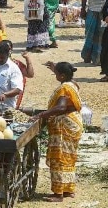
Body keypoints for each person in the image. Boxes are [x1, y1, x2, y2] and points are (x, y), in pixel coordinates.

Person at [29, 62, 82, 202]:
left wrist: (41, 115)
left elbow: (61, 107)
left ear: (62, 75)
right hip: (74, 124)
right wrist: (56, 68)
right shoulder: (72, 84)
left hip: (64, 126)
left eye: (56, 73)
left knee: (59, 158)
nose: (55, 75)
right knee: (69, 157)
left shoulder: (64, 88)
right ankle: (68, 190)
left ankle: (58, 194)